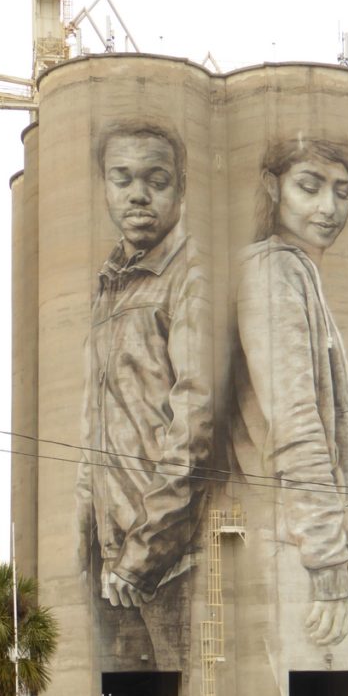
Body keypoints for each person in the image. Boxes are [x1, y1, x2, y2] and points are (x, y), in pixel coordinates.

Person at [230, 136, 348, 647]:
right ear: (272, 186)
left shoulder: (299, 272)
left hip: (297, 537)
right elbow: (295, 422)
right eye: (309, 187)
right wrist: (329, 561)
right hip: (295, 547)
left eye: (342, 191)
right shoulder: (273, 270)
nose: (328, 208)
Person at [76, 122, 213, 619]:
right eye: (122, 179)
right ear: (104, 186)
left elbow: (195, 429)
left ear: (181, 185)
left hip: (166, 568)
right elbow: (91, 433)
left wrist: (142, 556)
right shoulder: (112, 283)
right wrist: (82, 552)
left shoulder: (192, 279)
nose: (138, 195)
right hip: (113, 565)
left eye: (156, 181)